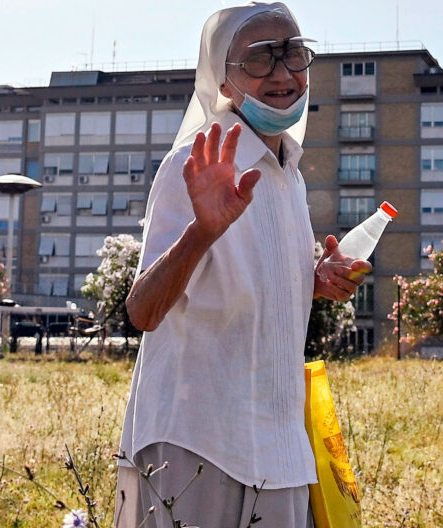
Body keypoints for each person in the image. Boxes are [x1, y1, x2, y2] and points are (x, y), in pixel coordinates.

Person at [115, 3, 371, 528]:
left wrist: (314, 279)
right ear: (223, 82)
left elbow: (257, 281)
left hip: (280, 447)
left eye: (294, 54)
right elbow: (142, 310)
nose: (281, 73)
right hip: (198, 442)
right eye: (259, 58)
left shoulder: (290, 175)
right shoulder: (195, 164)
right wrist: (201, 232)